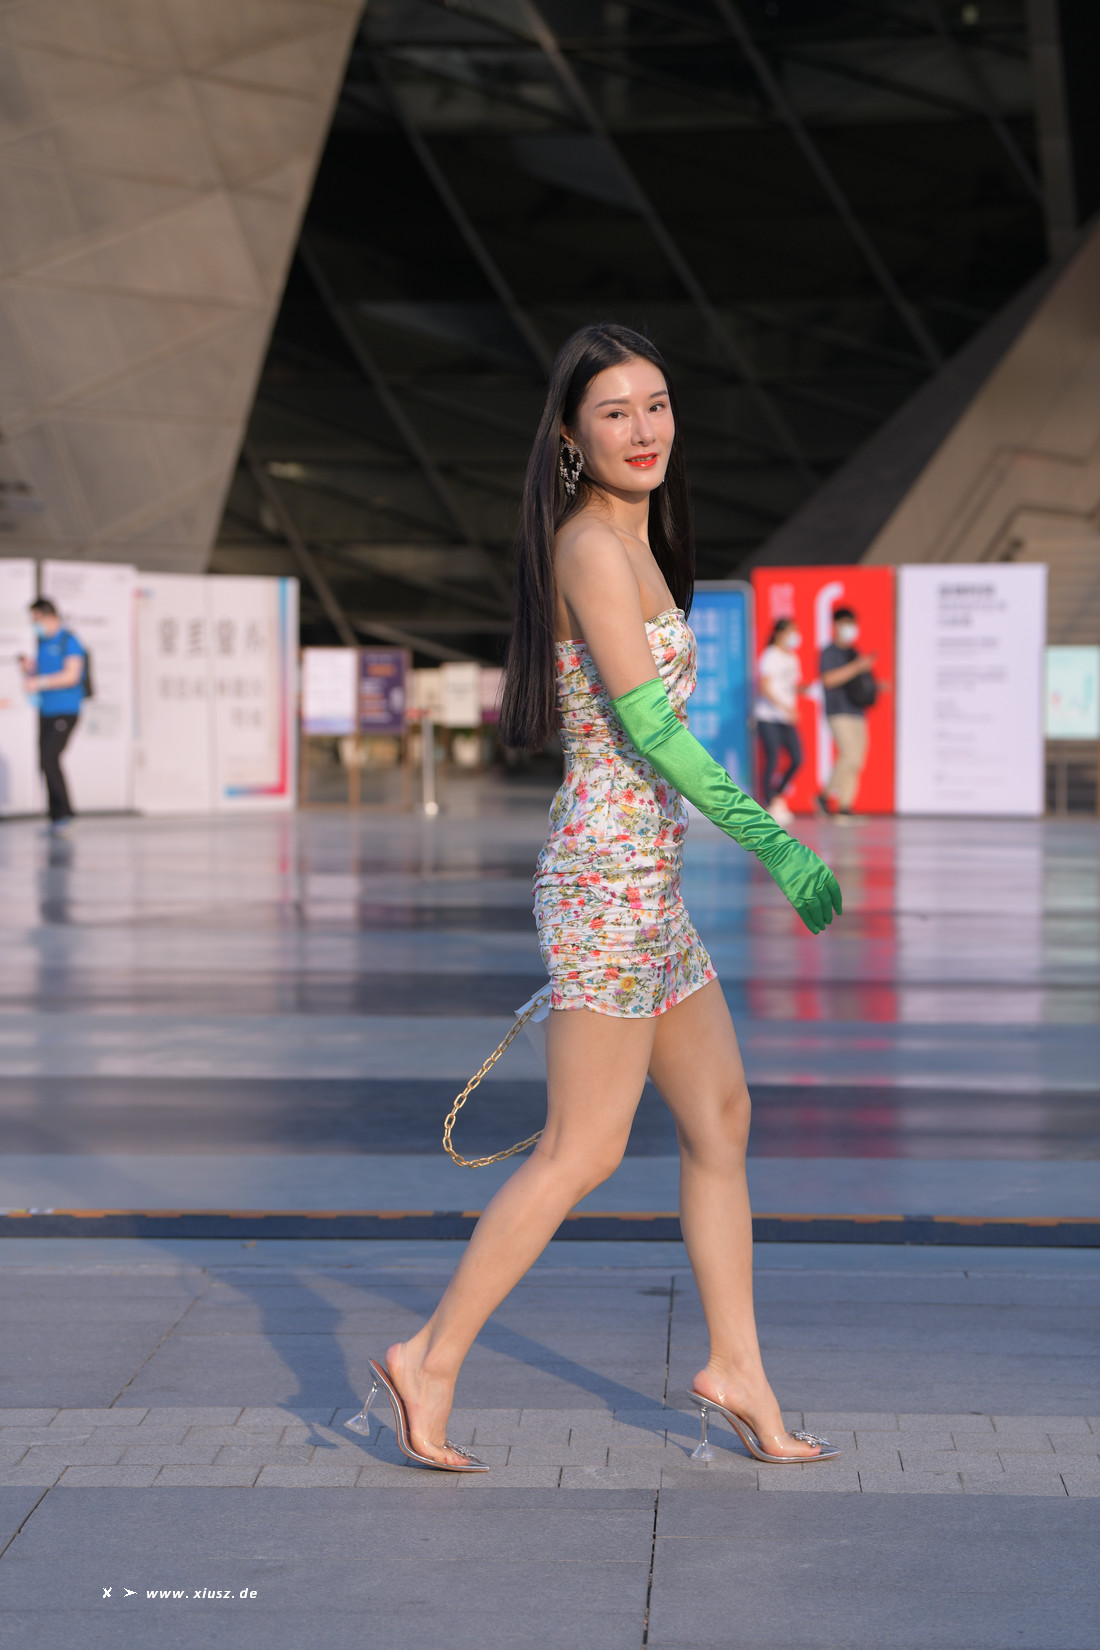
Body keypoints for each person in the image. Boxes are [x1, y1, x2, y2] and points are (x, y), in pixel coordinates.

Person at [348, 323, 842, 1473]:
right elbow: (653, 731)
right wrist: (771, 841)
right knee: (583, 1148)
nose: (643, 428)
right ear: (571, 435)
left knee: (720, 1119)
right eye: (614, 411)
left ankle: (736, 1369)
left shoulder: (637, 539)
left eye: (655, 404)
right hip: (606, 883)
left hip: (647, 886)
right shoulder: (588, 546)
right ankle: (427, 1357)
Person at [20, 597, 87, 833]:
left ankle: (66, 813)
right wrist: (30, 669)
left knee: (50, 758)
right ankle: (55, 816)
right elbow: (41, 671)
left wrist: (41, 681)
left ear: (48, 616)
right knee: (44, 761)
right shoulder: (42, 642)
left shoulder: (69, 640)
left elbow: (72, 675)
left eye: (36, 619)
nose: (34, 624)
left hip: (66, 710)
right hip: (46, 710)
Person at [818, 606, 876, 817]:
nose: (850, 628)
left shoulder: (854, 651)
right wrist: (857, 667)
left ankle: (845, 806)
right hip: (838, 711)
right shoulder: (829, 652)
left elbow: (856, 682)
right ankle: (825, 796)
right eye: (846, 624)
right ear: (836, 625)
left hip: (857, 710)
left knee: (857, 761)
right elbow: (828, 680)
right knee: (849, 755)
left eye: (852, 624)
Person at [754, 617, 803, 824]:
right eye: (791, 631)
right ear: (780, 634)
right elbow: (765, 687)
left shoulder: (793, 658)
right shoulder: (770, 655)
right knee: (773, 759)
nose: (795, 636)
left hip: (786, 717)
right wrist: (784, 707)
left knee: (797, 758)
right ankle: (770, 802)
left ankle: (777, 795)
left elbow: (791, 686)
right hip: (768, 716)